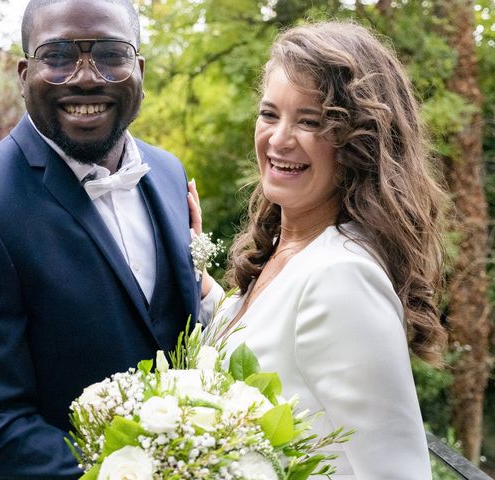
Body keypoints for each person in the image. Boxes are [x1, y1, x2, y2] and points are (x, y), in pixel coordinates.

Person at [0, 0, 200, 478]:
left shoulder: (169, 173)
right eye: (59, 55)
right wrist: (149, 471)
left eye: (111, 54)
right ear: (25, 74)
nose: (86, 77)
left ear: (140, 71)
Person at [191, 21, 448, 479]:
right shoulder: (289, 250)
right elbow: (267, 342)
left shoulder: (342, 276)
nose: (279, 139)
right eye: (270, 114)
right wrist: (191, 260)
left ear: (360, 143)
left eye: (309, 121)